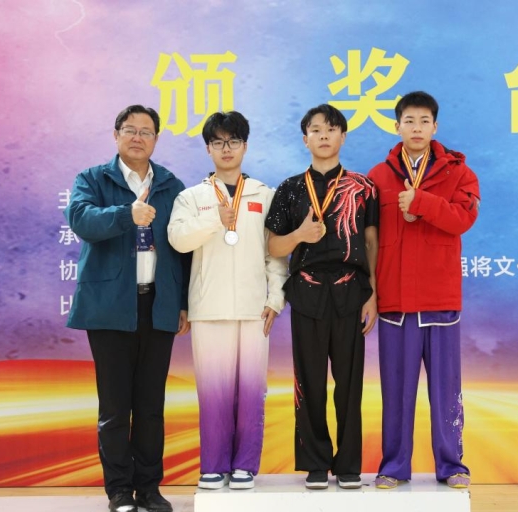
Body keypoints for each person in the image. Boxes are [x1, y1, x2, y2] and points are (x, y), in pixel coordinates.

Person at [64, 104, 190, 512]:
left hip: (158, 304)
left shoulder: (170, 185)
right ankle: (119, 490)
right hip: (110, 307)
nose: (138, 137)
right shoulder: (93, 179)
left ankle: (149, 487)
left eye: (146, 131)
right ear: (116, 134)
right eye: (130, 129)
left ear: (156, 139)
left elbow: (184, 249)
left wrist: (182, 303)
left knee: (151, 405)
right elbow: (82, 220)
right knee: (116, 406)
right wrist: (127, 214)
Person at [168, 111, 287, 490]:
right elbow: (178, 240)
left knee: (252, 390)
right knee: (213, 391)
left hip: (254, 309)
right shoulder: (192, 197)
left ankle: (245, 465)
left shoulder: (265, 195)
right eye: (218, 142)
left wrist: (275, 298)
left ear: (245, 146)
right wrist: (214, 219)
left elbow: (275, 253)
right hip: (208, 307)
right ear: (208, 148)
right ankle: (214, 465)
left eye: (233, 141)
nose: (226, 148)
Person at [368, 91, 480, 490]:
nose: (416, 128)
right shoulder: (377, 177)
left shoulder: (459, 174)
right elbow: (369, 240)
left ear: (435, 127)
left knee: (446, 389)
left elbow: (462, 220)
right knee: (396, 391)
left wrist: (422, 202)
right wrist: (371, 293)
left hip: (439, 300)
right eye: (409, 121)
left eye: (424, 121)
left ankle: (452, 465)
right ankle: (394, 466)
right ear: (396, 126)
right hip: (395, 302)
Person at [265, 104, 379, 490]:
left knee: (349, 383)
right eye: (316, 130)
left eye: (331, 129)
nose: (324, 135)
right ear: (305, 139)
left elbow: (371, 242)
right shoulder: (290, 189)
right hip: (307, 293)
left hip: (351, 292)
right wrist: (299, 235)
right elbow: (273, 246)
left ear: (343, 137)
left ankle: (348, 464)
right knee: (309, 380)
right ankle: (315, 462)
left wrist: (372, 294)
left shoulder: (363, 188)